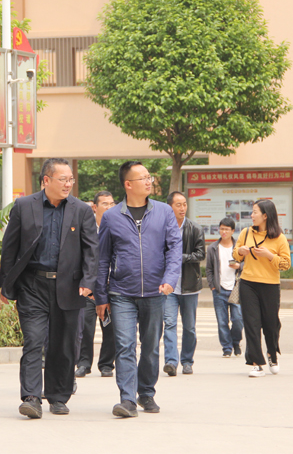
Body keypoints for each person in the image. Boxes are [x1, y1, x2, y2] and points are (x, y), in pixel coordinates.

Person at [0, 158, 98, 419]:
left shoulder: (81, 210)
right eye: (63, 179)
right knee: (33, 341)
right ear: (46, 180)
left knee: (63, 345)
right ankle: (31, 397)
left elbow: (91, 250)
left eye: (70, 179)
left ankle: (58, 396)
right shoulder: (24, 206)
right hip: (32, 285)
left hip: (70, 286)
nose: (68, 184)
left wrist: (89, 281)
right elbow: (10, 248)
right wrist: (6, 285)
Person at [95, 161, 182, 418]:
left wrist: (170, 278)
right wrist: (101, 296)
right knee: (124, 345)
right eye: (142, 177)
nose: (148, 181)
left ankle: (146, 393)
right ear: (128, 184)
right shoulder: (112, 217)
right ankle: (127, 400)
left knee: (151, 346)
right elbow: (102, 259)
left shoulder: (164, 212)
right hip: (121, 292)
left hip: (156, 291)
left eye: (149, 177)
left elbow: (174, 249)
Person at [233, 199, 291, 378]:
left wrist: (269, 255)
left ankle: (272, 354)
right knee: (251, 324)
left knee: (271, 325)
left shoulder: (279, 238)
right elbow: (235, 254)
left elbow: (286, 264)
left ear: (265, 216)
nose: (251, 215)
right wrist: (240, 252)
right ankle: (257, 364)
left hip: (270, 285)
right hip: (248, 283)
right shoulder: (246, 233)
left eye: (255, 212)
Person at [163, 191, 205, 376]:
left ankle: (187, 361)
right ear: (170, 207)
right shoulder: (163, 229)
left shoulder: (195, 228)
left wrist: (180, 257)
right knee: (169, 324)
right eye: (178, 204)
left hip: (190, 286)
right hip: (169, 287)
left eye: (184, 204)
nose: (182, 208)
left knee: (189, 327)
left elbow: (201, 254)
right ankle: (171, 362)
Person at [76, 190, 116, 378]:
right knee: (85, 327)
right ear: (95, 207)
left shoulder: (116, 227)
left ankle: (106, 364)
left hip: (109, 286)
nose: (109, 207)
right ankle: (84, 363)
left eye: (111, 204)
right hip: (88, 288)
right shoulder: (86, 228)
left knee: (110, 327)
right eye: (105, 204)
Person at [205, 217, 243, 358]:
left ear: (233, 231)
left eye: (227, 229)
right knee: (222, 321)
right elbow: (209, 269)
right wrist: (212, 286)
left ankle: (236, 342)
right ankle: (227, 348)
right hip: (219, 289)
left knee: (238, 319)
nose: (224, 232)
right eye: (222, 229)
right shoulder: (213, 248)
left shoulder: (239, 247)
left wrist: (239, 266)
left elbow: (248, 264)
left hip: (236, 289)